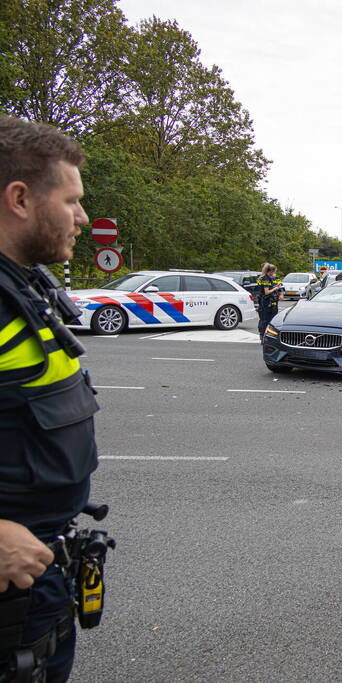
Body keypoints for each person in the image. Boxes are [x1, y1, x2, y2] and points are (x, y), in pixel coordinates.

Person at [0, 116, 101, 682]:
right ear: (19, 199)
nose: (84, 218)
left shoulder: (24, 286)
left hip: (36, 589)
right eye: (71, 201)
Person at [255, 262, 283, 336]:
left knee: (271, 318)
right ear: (271, 271)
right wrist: (275, 288)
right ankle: (263, 335)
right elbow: (266, 292)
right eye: (274, 271)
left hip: (272, 301)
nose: (274, 273)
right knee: (265, 319)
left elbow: (280, 287)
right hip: (266, 302)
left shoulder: (271, 278)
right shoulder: (265, 279)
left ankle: (268, 335)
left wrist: (279, 291)